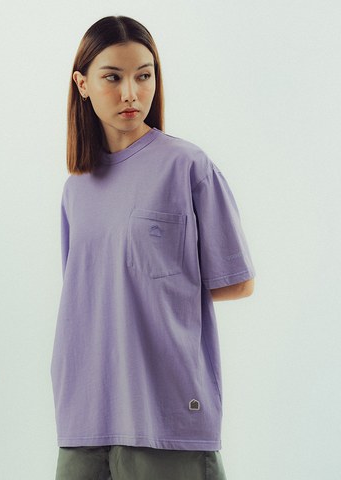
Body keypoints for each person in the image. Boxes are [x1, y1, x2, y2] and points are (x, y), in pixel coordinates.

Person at [50, 15, 256, 480]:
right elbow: (86, 292)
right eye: (112, 78)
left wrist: (159, 288)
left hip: (164, 412)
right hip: (83, 412)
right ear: (82, 84)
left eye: (144, 76)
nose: (131, 93)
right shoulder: (76, 187)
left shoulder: (186, 166)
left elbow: (238, 282)